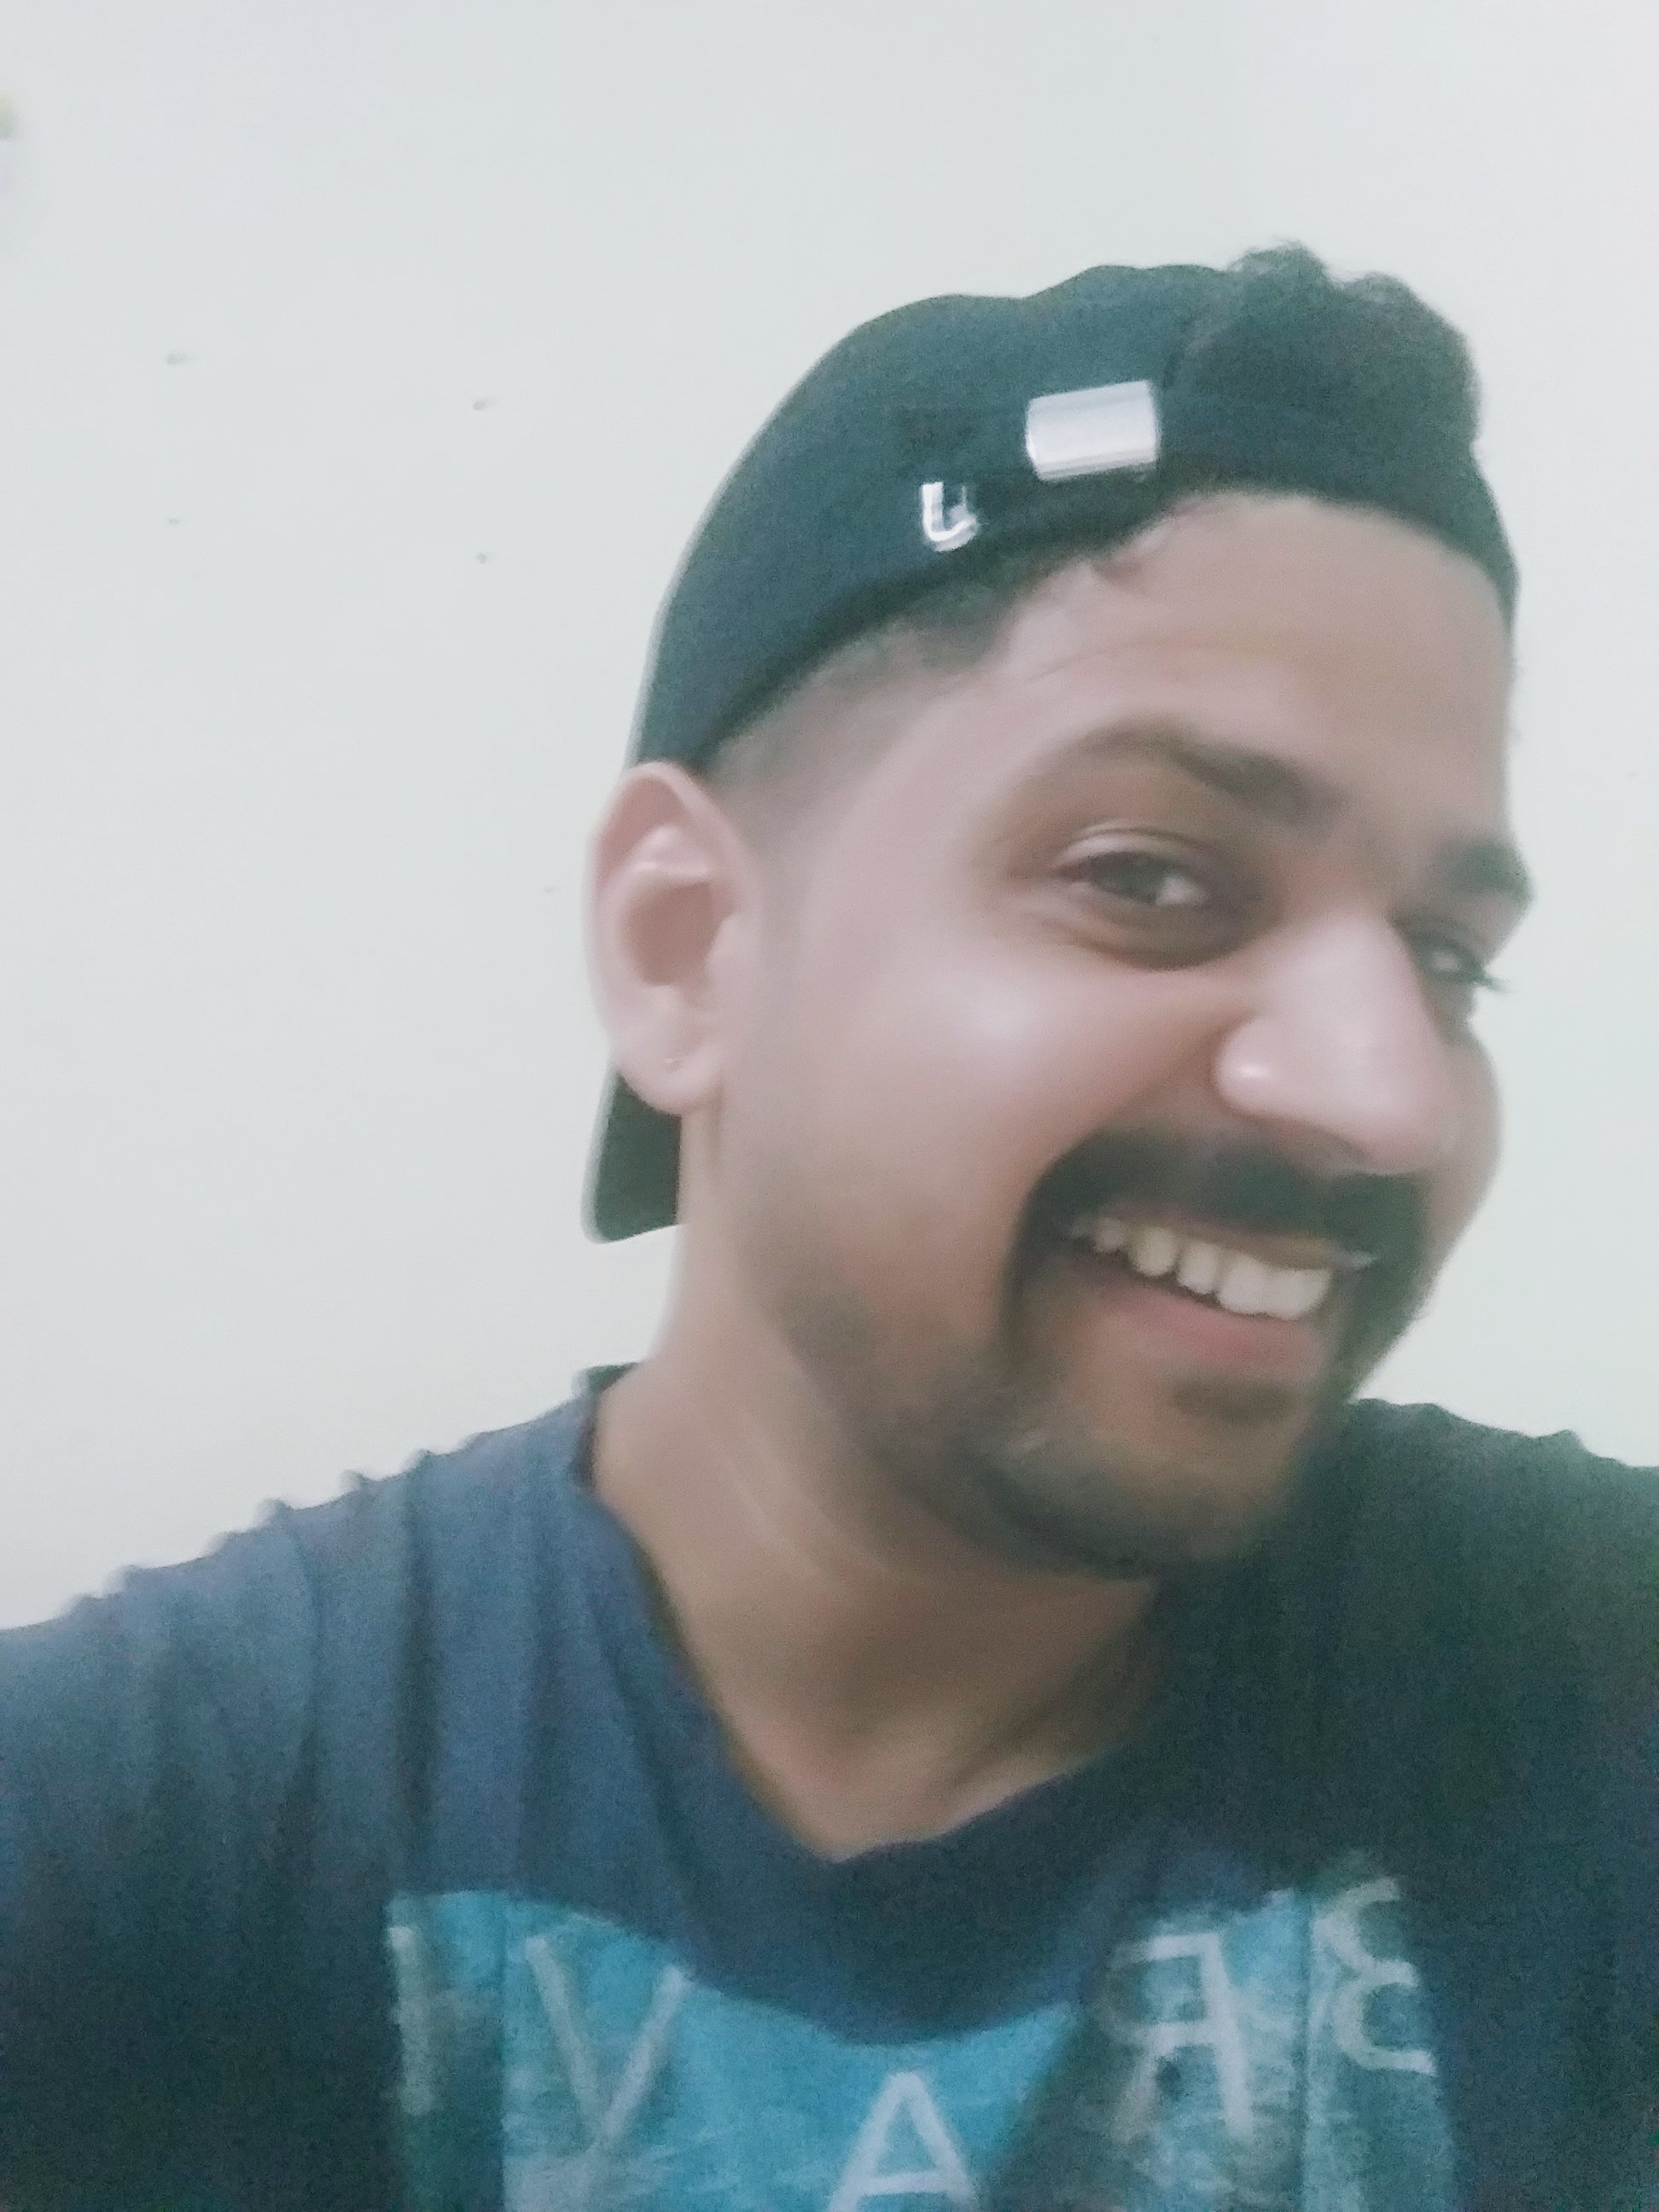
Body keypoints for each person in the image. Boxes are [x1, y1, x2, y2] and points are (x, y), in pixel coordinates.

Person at [1, 247, 1652, 2212]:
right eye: (1152, 878)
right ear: (686, 946)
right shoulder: (127, 1842)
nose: (1392, 1097)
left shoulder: (1595, 1683)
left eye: (1447, 958)